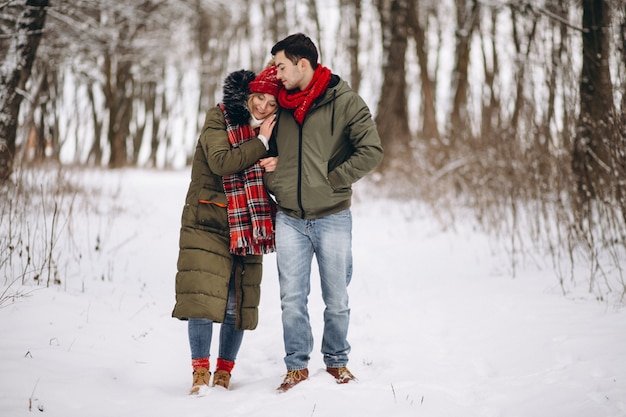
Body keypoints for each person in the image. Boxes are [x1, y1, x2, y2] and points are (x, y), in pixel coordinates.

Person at [261, 33, 384, 392]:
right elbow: (252, 108)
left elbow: (371, 150)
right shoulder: (278, 103)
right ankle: (296, 366)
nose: (276, 73)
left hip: (331, 215)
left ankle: (337, 361)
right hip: (289, 218)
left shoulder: (344, 101)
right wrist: (279, 173)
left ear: (303, 64)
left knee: (337, 299)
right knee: (292, 299)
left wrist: (333, 179)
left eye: (281, 66)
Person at [172, 65, 281, 395]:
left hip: (248, 224)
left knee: (237, 302)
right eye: (258, 97)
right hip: (206, 220)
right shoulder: (218, 118)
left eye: (271, 103)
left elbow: (279, 173)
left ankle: (224, 372)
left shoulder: (277, 133)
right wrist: (261, 142)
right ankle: (200, 373)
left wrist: (278, 161)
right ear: (248, 94)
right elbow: (221, 161)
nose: (262, 107)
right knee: (203, 298)